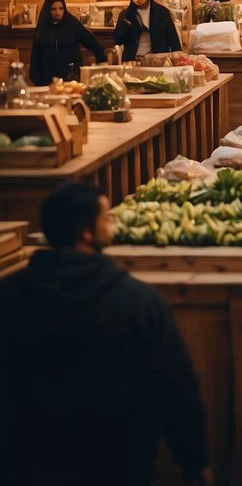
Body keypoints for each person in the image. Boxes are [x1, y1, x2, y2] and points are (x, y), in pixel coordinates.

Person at [0, 183, 211, 486]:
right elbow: (176, 385)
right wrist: (194, 461)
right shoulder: (139, 302)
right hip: (120, 461)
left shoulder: (8, 297)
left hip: (28, 463)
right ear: (86, 232)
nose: (112, 224)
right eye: (106, 218)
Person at [29, 0, 106, 85]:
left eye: (61, 8)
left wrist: (102, 65)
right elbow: (35, 56)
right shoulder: (42, 27)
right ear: (48, 10)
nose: (58, 12)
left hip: (70, 77)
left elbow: (93, 43)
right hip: (47, 79)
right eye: (53, 9)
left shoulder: (72, 24)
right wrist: (37, 79)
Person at [113, 0, 181, 60]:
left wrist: (178, 60)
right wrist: (124, 26)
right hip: (133, 61)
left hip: (158, 60)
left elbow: (173, 41)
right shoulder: (126, 15)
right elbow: (118, 40)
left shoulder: (162, 12)